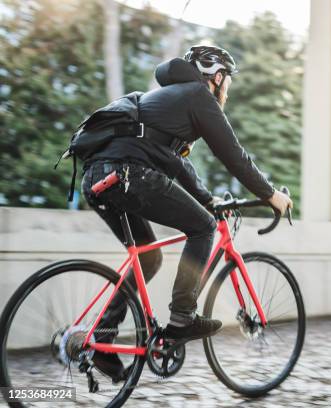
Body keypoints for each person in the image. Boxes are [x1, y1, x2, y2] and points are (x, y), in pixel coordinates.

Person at [80, 45, 293, 381]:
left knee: (148, 259)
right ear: (217, 77)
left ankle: (102, 341)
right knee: (205, 228)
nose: (228, 92)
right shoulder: (197, 95)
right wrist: (270, 195)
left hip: (97, 178)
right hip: (127, 174)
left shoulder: (169, 100)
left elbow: (176, 164)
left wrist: (207, 199)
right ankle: (182, 317)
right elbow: (234, 156)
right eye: (228, 83)